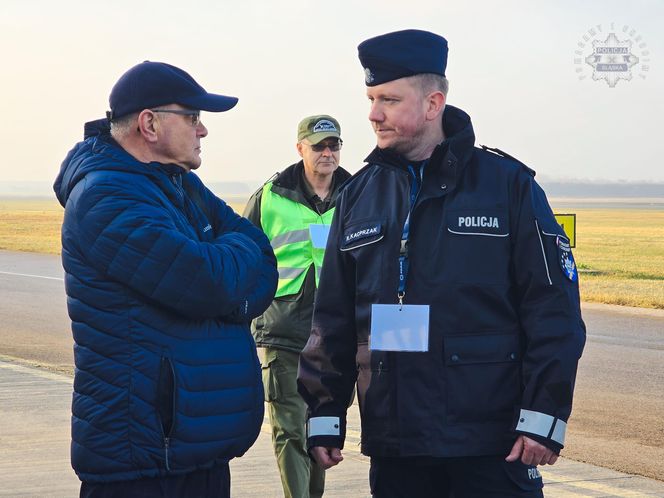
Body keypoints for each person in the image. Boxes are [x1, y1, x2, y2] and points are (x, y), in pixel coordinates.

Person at [297, 29, 586, 497]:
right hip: (397, 446)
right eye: (370, 98)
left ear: (433, 104)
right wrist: (325, 413)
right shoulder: (357, 196)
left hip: (490, 445)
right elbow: (332, 317)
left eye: (388, 99)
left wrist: (544, 415)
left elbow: (553, 310)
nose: (373, 114)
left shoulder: (508, 186)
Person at [53, 61, 278, 498]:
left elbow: (262, 254)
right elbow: (208, 282)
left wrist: (226, 277)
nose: (203, 130)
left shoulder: (177, 184)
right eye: (192, 117)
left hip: (195, 449)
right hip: (144, 462)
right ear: (149, 123)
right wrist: (228, 281)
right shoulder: (105, 196)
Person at [243, 115, 351, 498]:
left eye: (333, 145)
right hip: (284, 329)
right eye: (318, 145)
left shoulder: (359, 194)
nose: (327, 152)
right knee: (289, 427)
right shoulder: (270, 196)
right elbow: (244, 257)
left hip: (338, 335)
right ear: (299, 148)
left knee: (321, 428)